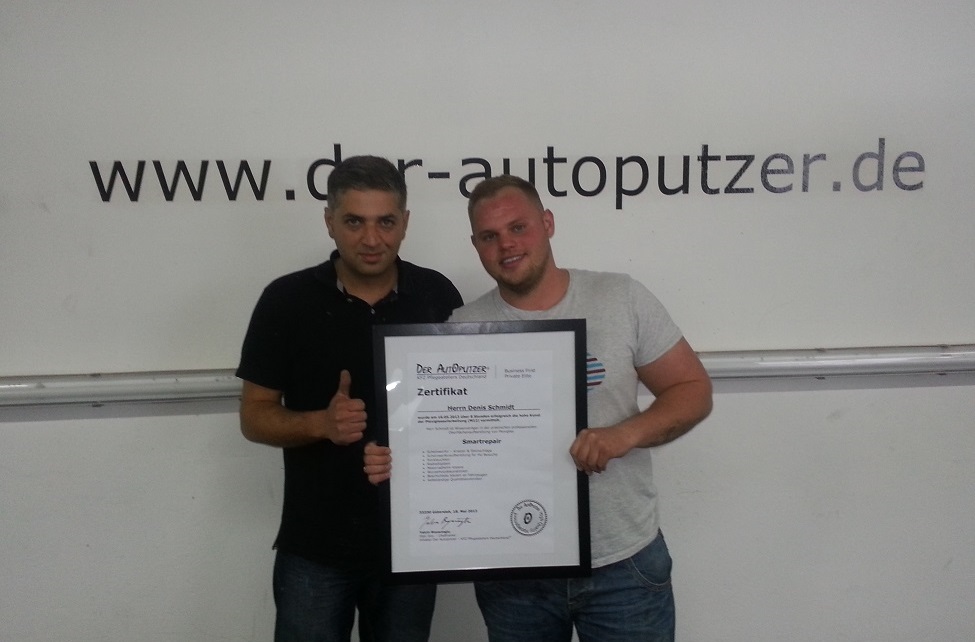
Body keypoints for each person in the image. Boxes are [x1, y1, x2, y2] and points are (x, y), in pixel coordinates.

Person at [365, 175, 712, 642]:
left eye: (518, 227)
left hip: (622, 565)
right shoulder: (462, 328)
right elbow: (436, 437)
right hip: (514, 574)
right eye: (489, 236)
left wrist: (623, 435)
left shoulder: (620, 297)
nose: (506, 244)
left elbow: (692, 389)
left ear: (547, 223)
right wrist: (396, 459)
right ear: (476, 246)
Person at [236, 155, 463, 642]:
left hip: (413, 542)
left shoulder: (437, 295)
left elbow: (464, 408)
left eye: (386, 222)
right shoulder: (286, 300)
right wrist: (320, 424)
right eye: (355, 222)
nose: (372, 239)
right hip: (316, 548)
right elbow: (253, 416)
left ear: (405, 223)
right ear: (329, 222)